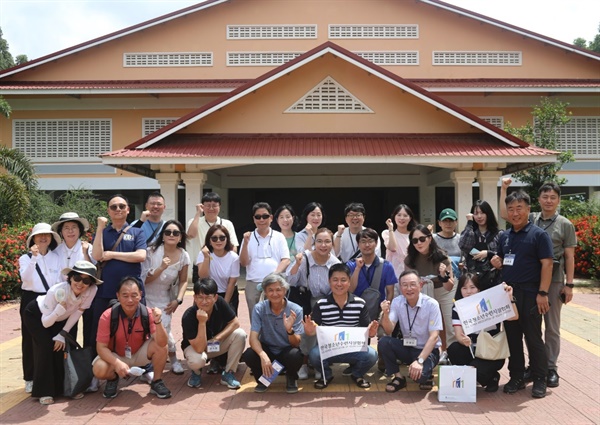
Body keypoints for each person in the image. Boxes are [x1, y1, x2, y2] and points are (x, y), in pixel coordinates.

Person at [500, 179, 576, 388]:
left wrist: (566, 285)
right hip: (513, 293)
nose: (515, 213)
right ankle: (521, 374)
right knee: (516, 336)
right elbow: (506, 214)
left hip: (545, 285)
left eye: (553, 197)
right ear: (539, 200)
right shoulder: (513, 231)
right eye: (545, 196)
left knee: (543, 331)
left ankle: (546, 372)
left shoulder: (555, 227)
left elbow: (561, 259)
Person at [491, 189, 553, 398]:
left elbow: (547, 264)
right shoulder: (505, 236)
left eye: (519, 208)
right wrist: (496, 261)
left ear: (528, 209)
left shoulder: (539, 235)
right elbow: (501, 260)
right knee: (513, 338)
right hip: (508, 295)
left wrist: (543, 293)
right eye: (511, 209)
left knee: (534, 338)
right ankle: (516, 376)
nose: (515, 213)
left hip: (531, 293)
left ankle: (539, 378)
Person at [23, 261, 101, 405]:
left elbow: (78, 312)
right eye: (77, 278)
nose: (80, 283)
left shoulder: (92, 291)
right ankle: (44, 391)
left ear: (91, 283)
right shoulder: (56, 292)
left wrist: (62, 334)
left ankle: (64, 388)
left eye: (86, 280)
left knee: (60, 348)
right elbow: (46, 322)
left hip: (60, 319)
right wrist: (59, 310)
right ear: (70, 278)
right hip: (36, 315)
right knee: (46, 347)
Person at [93, 276, 172, 399]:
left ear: (140, 295)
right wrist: (117, 363)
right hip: (116, 355)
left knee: (161, 346)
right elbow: (101, 347)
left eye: (134, 295)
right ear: (118, 296)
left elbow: (162, 343)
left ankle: (157, 381)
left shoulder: (148, 313)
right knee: (99, 368)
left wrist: (158, 322)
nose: (130, 300)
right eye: (125, 296)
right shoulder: (107, 316)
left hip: (138, 353)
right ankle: (113, 379)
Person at [303, 263, 379, 389]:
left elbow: (367, 331)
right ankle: (326, 375)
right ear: (329, 282)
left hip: (352, 348)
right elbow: (313, 330)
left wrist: (371, 332)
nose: (339, 284)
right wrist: (309, 330)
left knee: (372, 355)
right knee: (314, 355)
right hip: (329, 348)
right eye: (335, 280)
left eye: (343, 280)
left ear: (349, 282)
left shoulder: (360, 303)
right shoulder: (321, 304)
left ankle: (357, 374)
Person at [91, 195, 147, 359]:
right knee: (101, 330)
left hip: (132, 293)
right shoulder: (103, 232)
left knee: (139, 328)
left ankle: (145, 367)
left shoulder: (137, 232)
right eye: (114, 207)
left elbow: (140, 256)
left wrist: (112, 254)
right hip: (105, 290)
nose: (118, 210)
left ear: (128, 210)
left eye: (122, 206)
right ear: (108, 210)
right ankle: (98, 367)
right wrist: (100, 228)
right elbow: (97, 255)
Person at [447, 273, 519, 393]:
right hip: (472, 350)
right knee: (454, 349)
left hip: (491, 353)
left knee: (477, 370)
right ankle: (488, 378)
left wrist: (510, 297)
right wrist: (463, 340)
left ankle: (490, 376)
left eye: (472, 287)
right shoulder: (457, 308)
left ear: (479, 288)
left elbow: (514, 317)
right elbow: (458, 335)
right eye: (464, 288)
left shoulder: (491, 302)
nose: (468, 292)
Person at [287, 227, 340, 379]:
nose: (323, 245)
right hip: (303, 298)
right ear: (314, 242)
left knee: (321, 328)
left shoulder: (335, 263)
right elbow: (290, 281)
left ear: (332, 244)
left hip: (325, 301)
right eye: (319, 241)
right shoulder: (304, 258)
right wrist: (296, 264)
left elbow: (337, 288)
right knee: (305, 327)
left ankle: (318, 363)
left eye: (327, 242)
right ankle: (303, 363)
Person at [378, 269, 443, 392]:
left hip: (428, 351)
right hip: (408, 347)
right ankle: (398, 377)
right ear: (400, 287)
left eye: (413, 284)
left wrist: (420, 360)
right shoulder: (397, 302)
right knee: (384, 342)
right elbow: (388, 330)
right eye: (405, 285)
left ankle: (426, 373)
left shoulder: (432, 304)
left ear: (421, 285)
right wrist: (385, 315)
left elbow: (434, 337)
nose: (409, 288)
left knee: (420, 378)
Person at [241, 273, 304, 394]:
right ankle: (263, 380)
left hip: (286, 350)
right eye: (270, 290)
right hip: (268, 349)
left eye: (278, 290)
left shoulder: (295, 309)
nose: (275, 294)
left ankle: (291, 378)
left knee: (295, 355)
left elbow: (296, 343)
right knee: (249, 354)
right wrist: (263, 356)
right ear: (265, 292)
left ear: (285, 290)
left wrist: (289, 331)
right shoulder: (259, 308)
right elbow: (253, 338)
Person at [142, 219, 190, 375]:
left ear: (180, 237)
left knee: (164, 328)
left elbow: (184, 281)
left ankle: (173, 359)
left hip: (165, 298)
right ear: (162, 236)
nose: (171, 235)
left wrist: (178, 300)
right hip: (146, 296)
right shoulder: (151, 252)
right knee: (146, 331)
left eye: (176, 233)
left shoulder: (184, 255)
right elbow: (144, 280)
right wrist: (161, 267)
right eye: (167, 232)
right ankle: (147, 365)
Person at [19, 222, 62, 393]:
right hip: (31, 299)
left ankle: (51, 377)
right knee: (29, 339)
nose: (43, 238)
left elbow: (60, 280)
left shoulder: (56, 257)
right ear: (33, 239)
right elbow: (26, 279)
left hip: (51, 297)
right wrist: (34, 258)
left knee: (50, 337)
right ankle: (29, 377)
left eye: (47, 235)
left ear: (51, 238)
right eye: (39, 235)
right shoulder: (25, 258)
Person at [181, 278, 247, 390]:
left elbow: (235, 323)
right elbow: (199, 348)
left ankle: (228, 373)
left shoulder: (220, 302)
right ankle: (196, 373)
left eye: (208, 297)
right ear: (195, 298)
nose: (204, 301)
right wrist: (202, 322)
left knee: (240, 334)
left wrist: (217, 338)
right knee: (197, 360)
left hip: (213, 344)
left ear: (215, 297)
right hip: (195, 348)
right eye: (200, 297)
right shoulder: (188, 316)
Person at [405, 224, 454, 363]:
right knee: (426, 323)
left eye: (422, 239)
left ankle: (449, 352)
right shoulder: (410, 259)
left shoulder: (442, 256)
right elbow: (407, 282)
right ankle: (427, 354)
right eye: (415, 241)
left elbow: (449, 286)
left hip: (443, 290)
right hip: (422, 292)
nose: (419, 243)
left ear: (430, 238)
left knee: (447, 322)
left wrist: (443, 275)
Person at [239, 202, 290, 323]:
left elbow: (286, 260)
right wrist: (246, 243)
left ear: (271, 218)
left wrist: (274, 275)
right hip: (253, 283)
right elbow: (244, 262)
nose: (261, 219)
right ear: (254, 219)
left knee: (276, 317)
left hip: (274, 283)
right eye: (258, 217)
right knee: (255, 318)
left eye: (265, 216)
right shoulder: (248, 237)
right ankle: (256, 341)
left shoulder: (279, 236)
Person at [187, 192, 239, 283]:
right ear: (202, 206)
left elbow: (233, 247)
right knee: (202, 296)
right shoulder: (194, 221)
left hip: (222, 266)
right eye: (207, 205)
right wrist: (198, 213)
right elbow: (191, 235)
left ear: (219, 206)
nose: (211, 208)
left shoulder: (227, 223)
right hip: (201, 265)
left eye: (214, 205)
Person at [347, 228, 396, 319]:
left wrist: (384, 314)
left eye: (370, 241)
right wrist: (357, 268)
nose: (367, 245)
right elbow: (350, 290)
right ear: (358, 244)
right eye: (363, 241)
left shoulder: (387, 266)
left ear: (376, 243)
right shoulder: (350, 265)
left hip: (377, 313)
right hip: (353, 312)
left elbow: (390, 293)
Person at [459, 200, 503, 290]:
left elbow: (502, 255)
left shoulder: (499, 234)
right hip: (472, 284)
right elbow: (463, 245)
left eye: (482, 213)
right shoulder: (471, 233)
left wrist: (488, 253)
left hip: (493, 282)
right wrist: (469, 223)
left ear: (488, 214)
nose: (479, 216)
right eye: (476, 213)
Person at [197, 224, 241, 316]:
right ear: (209, 240)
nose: (218, 241)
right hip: (207, 294)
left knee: (228, 323)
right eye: (214, 238)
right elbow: (203, 277)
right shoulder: (203, 254)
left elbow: (231, 283)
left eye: (222, 238)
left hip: (228, 294)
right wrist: (206, 258)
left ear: (227, 239)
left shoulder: (234, 257)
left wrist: (224, 304)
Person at [381, 204, 417, 281]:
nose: (402, 218)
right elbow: (393, 248)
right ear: (394, 217)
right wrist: (391, 228)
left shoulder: (414, 235)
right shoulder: (387, 233)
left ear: (410, 218)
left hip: (410, 275)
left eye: (405, 215)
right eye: (399, 215)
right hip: (392, 276)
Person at [52, 212, 93, 276]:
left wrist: (86, 253)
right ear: (61, 232)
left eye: (74, 227)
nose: (70, 231)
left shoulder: (89, 248)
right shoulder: (56, 251)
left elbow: (92, 272)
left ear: (80, 230)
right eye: (66, 228)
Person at [432, 208, 463, 280]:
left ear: (456, 222)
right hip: (439, 278)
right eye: (445, 221)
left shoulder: (461, 239)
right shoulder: (433, 239)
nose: (448, 224)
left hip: (458, 278)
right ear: (439, 223)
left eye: (451, 221)